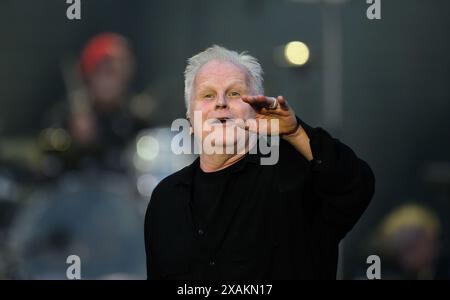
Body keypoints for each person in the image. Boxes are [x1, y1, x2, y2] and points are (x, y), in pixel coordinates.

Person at [144, 45, 375, 280]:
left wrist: (295, 132)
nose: (221, 102)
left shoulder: (296, 176)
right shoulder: (166, 198)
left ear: (257, 110)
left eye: (234, 93)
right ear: (190, 119)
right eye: (207, 95)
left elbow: (356, 185)